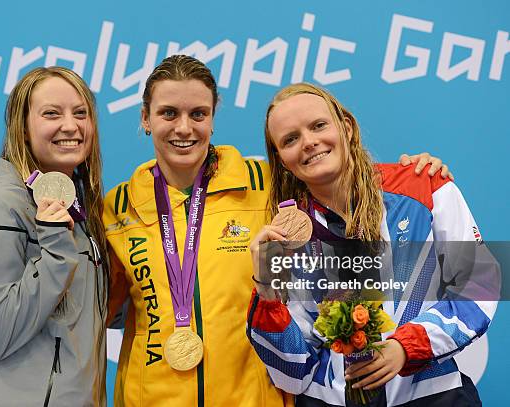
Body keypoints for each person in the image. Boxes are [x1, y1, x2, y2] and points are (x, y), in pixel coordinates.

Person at [101, 55, 452, 407]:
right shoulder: (117, 207)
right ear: (146, 117)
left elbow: (339, 179)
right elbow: (105, 311)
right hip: (151, 396)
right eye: (168, 113)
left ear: (212, 119)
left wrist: (417, 173)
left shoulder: (266, 184)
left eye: (198, 114)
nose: (183, 128)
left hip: (254, 396)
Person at [246, 83, 499, 406]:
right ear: (282, 160)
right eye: (290, 139)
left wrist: (406, 346)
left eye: (318, 125)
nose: (309, 142)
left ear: (347, 127)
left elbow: (478, 284)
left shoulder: (422, 186)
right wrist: (266, 289)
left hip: (433, 396)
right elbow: (293, 372)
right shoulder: (285, 238)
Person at [0, 67, 108, 406]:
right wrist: (55, 248)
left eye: (81, 113)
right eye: (52, 113)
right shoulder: (2, 203)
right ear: (21, 129)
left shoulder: (80, 210)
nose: (71, 125)